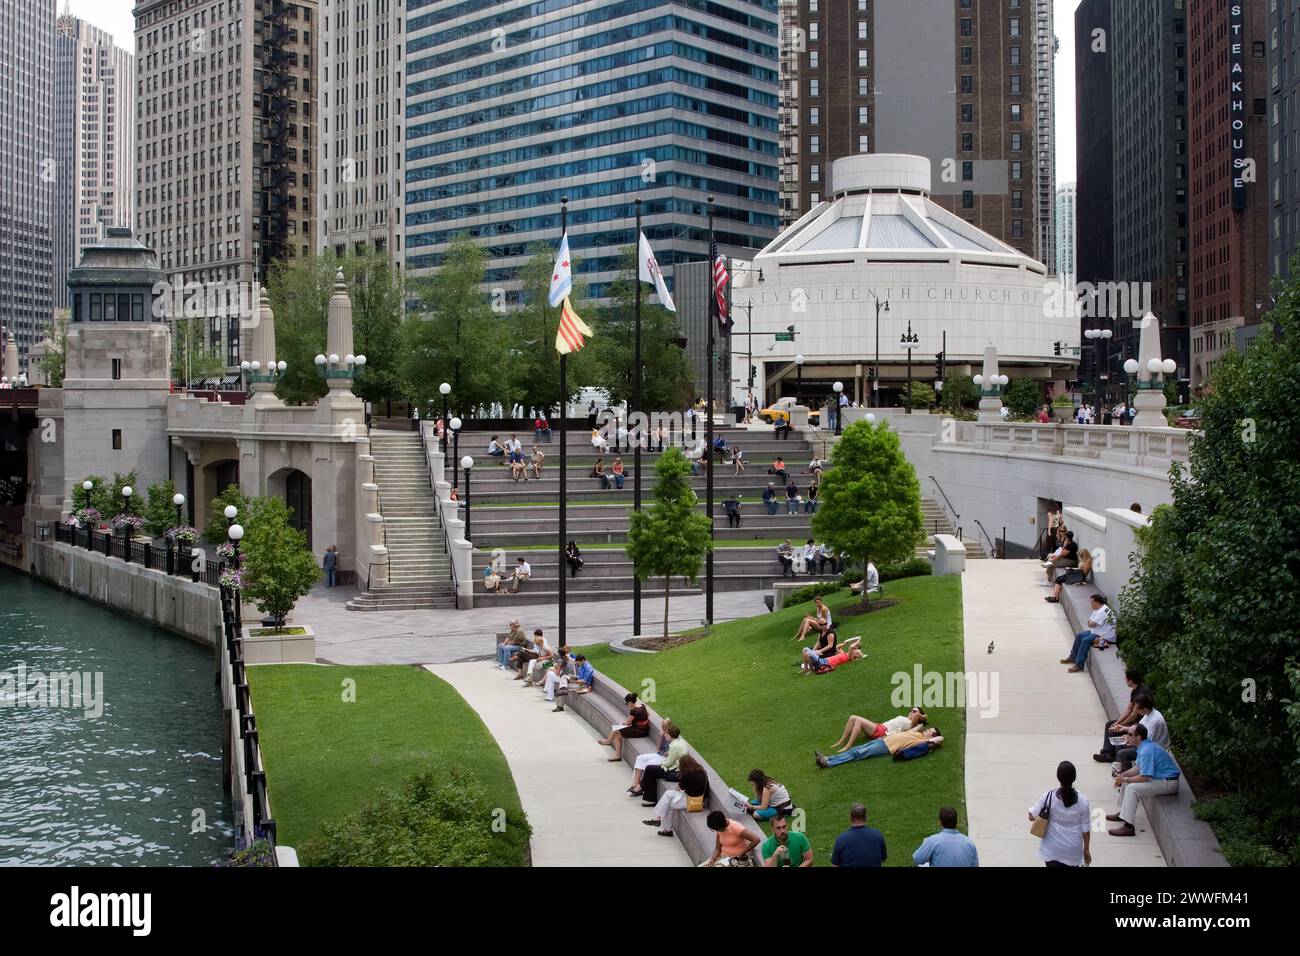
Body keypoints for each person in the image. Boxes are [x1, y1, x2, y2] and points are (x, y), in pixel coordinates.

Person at [1107, 724, 1180, 837]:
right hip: (1160, 779)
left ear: (1138, 737)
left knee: (1132, 788)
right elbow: (1138, 768)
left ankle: (1128, 827)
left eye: (1130, 734)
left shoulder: (1146, 751)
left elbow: (1144, 777)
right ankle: (1123, 814)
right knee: (1127, 782)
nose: (1127, 736)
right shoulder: (1144, 746)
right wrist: (1123, 775)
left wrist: (1125, 779)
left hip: (1168, 782)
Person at [1029, 761, 1092, 867]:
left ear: (1058, 777)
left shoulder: (1048, 795)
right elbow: (1085, 829)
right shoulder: (1082, 800)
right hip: (1073, 851)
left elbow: (1031, 816)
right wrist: (1086, 850)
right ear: (1074, 777)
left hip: (1051, 850)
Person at [1095, 669, 1154, 764]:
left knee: (1116, 729)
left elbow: (1134, 715)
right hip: (1134, 721)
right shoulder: (1134, 691)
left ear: (1130, 680)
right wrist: (1117, 722)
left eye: (1126, 679)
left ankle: (1112, 755)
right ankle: (1108, 752)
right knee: (1109, 724)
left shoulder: (1141, 693)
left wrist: (1121, 725)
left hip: (1139, 723)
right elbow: (1128, 710)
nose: (1125, 680)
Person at [642, 754, 709, 837]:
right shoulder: (702, 772)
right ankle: (659, 820)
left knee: (669, 805)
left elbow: (679, 788)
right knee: (668, 794)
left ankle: (666, 828)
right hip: (699, 800)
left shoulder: (687, 775)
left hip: (691, 801)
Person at [815, 725, 942, 767]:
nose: (926, 730)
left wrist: (931, 738)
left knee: (858, 754)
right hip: (883, 740)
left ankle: (829, 764)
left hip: (887, 747)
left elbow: (940, 739)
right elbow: (918, 726)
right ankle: (828, 758)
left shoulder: (924, 742)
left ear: (932, 735)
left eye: (929, 730)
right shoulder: (918, 734)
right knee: (856, 750)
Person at [1110, 692, 1170, 772]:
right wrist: (1123, 728)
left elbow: (1146, 742)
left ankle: (1124, 778)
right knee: (1119, 744)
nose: (1136, 711)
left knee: (1122, 754)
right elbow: (1138, 729)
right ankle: (1120, 771)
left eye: (1138, 708)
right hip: (1145, 744)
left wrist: (1129, 740)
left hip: (1153, 750)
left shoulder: (1156, 721)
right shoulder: (1148, 714)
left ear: (1144, 708)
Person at [827, 708, 928, 753]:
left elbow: (922, 716)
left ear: (918, 716)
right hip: (879, 727)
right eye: (911, 710)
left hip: (882, 732)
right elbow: (919, 715)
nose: (911, 712)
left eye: (914, 711)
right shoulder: (906, 719)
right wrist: (917, 713)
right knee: (853, 717)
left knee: (857, 721)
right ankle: (841, 741)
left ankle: (848, 746)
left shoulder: (911, 724)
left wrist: (922, 716)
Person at [1060, 594, 1118, 672]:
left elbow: (1091, 624)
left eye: (1092, 602)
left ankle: (1079, 664)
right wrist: (1091, 623)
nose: (1090, 604)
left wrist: (1091, 623)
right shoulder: (1097, 609)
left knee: (1085, 640)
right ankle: (1073, 657)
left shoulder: (1103, 612)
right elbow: (1090, 623)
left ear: (1097, 602)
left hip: (1105, 636)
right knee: (1079, 636)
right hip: (1097, 631)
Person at [635, 721, 687, 800]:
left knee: (650, 768)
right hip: (677, 770)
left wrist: (661, 765)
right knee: (651, 769)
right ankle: (642, 789)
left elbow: (668, 764)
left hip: (675, 773)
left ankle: (643, 790)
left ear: (671, 735)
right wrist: (668, 754)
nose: (665, 735)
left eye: (666, 733)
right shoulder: (681, 742)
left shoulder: (673, 745)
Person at [912, 807, 980, 867]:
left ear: (940, 823)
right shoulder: (969, 843)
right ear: (957, 821)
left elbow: (917, 859)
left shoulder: (933, 841)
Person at [830, 803, 887, 868]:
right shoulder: (878, 835)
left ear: (850, 817)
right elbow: (883, 860)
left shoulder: (841, 839)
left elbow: (834, 865)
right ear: (866, 817)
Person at [599, 693, 651, 762]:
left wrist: (625, 723)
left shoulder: (633, 711)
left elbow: (627, 723)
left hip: (638, 731)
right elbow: (648, 714)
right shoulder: (642, 706)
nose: (627, 705)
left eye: (627, 703)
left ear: (630, 702)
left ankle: (614, 751)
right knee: (617, 731)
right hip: (644, 729)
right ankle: (609, 743)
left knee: (617, 732)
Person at [628, 720, 676, 795]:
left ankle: (641, 786)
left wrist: (668, 752)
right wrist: (660, 736)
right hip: (660, 754)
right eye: (663, 726)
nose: (663, 727)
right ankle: (635, 783)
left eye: (665, 726)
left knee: (648, 764)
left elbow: (672, 752)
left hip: (665, 758)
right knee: (640, 758)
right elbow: (658, 748)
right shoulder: (664, 734)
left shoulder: (672, 735)